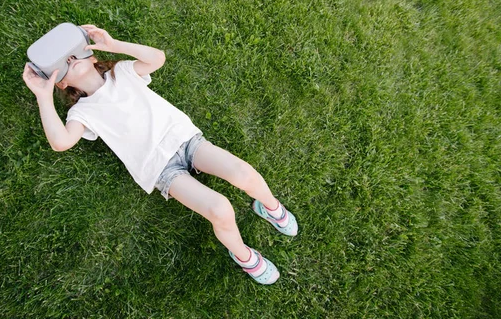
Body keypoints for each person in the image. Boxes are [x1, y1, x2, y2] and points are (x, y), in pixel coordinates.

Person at [22, 24, 298, 285]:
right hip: (161, 168)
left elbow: (157, 58)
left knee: (243, 173)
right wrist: (42, 97)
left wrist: (114, 44)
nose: (71, 60)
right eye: (64, 63)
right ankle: (244, 256)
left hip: (186, 140)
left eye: (74, 54)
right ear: (60, 83)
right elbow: (61, 142)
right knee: (220, 209)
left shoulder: (123, 73)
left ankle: (270, 207)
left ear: (91, 55)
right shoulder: (81, 112)